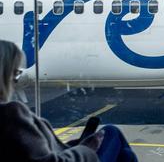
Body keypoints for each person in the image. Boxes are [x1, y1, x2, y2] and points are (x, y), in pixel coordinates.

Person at [0, 40, 137, 162]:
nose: (16, 80)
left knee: (120, 149)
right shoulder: (11, 113)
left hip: (68, 154)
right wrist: (85, 148)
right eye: (15, 72)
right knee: (112, 133)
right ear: (4, 75)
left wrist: (77, 144)